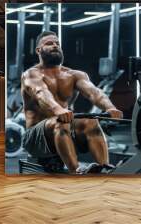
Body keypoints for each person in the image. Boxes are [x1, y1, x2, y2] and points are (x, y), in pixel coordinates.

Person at [21, 31, 123, 174]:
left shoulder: (74, 75)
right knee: (60, 122)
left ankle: (104, 168)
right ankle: (76, 172)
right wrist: (58, 109)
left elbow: (94, 93)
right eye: (49, 43)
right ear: (38, 50)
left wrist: (110, 107)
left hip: (65, 131)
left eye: (57, 43)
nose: (55, 46)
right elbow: (40, 93)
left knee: (91, 121)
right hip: (35, 138)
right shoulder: (31, 74)